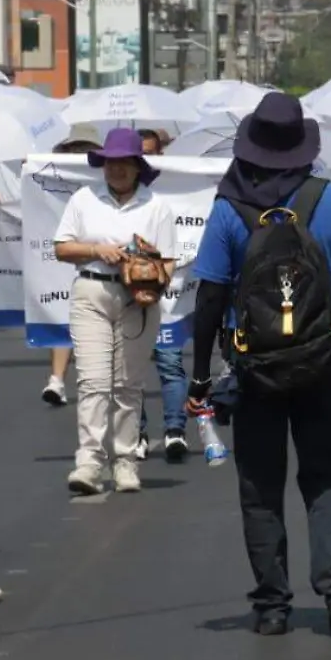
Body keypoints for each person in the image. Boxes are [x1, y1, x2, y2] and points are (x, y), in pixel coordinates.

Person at [188, 93, 331, 636]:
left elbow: (209, 299)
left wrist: (200, 374)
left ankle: (272, 605)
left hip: (255, 369)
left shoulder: (229, 208)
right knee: (324, 478)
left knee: (260, 486)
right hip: (320, 363)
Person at [52, 128, 177, 496]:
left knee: (126, 385)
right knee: (92, 383)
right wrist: (96, 250)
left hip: (136, 301)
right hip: (92, 290)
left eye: (124, 163)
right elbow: (61, 248)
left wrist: (148, 276)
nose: (116, 169)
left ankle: (125, 461)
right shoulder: (83, 198)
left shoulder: (157, 206)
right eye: (111, 162)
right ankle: (89, 462)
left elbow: (169, 263)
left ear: (138, 167)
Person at [137, 129, 191, 462]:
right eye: (140, 153)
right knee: (131, 370)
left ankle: (175, 430)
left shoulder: (176, 189)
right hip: (128, 296)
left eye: (152, 152)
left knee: (170, 364)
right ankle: (137, 433)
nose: (146, 159)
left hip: (169, 294)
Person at [41, 136, 101, 408]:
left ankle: (60, 379)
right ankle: (58, 380)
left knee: (68, 319)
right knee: (64, 316)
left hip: (92, 268)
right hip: (70, 261)